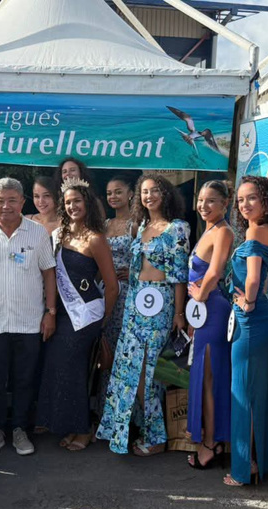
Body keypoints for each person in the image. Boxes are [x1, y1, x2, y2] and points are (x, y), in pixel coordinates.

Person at [97, 175, 189, 456]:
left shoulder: (178, 228)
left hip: (160, 305)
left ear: (166, 194)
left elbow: (179, 275)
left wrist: (179, 312)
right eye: (144, 192)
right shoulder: (142, 227)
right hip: (134, 306)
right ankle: (139, 428)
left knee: (147, 373)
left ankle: (157, 436)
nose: (149, 197)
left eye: (155, 191)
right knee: (128, 371)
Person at [0, 177, 57, 457]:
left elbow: (48, 273)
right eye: (0, 201)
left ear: (22, 203)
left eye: (12, 200)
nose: (6, 206)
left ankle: (19, 430)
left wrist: (50, 313)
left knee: (25, 380)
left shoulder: (38, 233)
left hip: (29, 322)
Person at [36, 179, 118, 451]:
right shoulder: (59, 234)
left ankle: (84, 429)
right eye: (68, 202)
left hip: (86, 316)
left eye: (77, 201)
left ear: (87, 204)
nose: (72, 206)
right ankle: (70, 424)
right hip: (62, 313)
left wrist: (102, 320)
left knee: (74, 370)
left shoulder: (96, 238)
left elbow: (111, 285)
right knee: (61, 368)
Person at [226, 176, 268, 486]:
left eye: (251, 198)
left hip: (250, 319)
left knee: (243, 392)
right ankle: (262, 461)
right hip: (260, 319)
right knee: (258, 390)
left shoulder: (255, 230)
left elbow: (253, 280)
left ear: (265, 200)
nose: (245, 204)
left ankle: (243, 467)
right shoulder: (266, 229)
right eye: (240, 200)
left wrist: (245, 301)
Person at [186, 180, 234, 469]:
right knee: (204, 379)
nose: (204, 206)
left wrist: (200, 296)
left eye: (212, 201)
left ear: (225, 204)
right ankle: (209, 438)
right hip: (202, 313)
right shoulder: (208, 229)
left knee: (210, 381)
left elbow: (215, 272)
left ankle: (211, 444)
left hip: (213, 311)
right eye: (202, 200)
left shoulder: (224, 231)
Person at [96, 176, 136, 418]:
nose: (113, 197)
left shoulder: (137, 224)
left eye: (118, 192)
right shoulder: (105, 224)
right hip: (105, 292)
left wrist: (133, 272)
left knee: (125, 354)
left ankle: (127, 416)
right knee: (107, 352)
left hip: (128, 295)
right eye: (109, 193)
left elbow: (148, 258)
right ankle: (106, 414)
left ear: (130, 193)